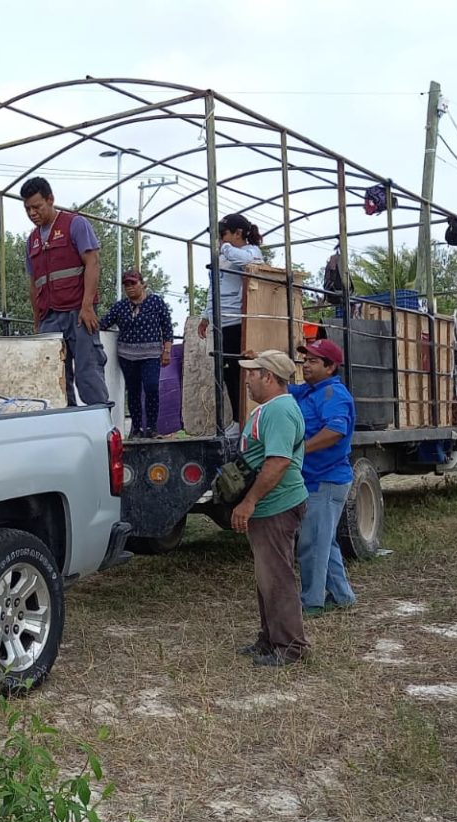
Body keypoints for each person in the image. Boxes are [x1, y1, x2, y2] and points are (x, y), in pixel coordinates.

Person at [231, 349, 310, 667]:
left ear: (268, 377)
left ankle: (291, 647)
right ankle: (269, 640)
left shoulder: (278, 411)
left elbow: (278, 462)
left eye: (253, 373)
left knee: (277, 577)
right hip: (270, 507)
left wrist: (249, 501)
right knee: (268, 576)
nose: (247, 378)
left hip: (276, 506)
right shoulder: (271, 408)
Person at [21, 176, 109, 406]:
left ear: (50, 200)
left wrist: (88, 306)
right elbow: (34, 283)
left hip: (79, 314)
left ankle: (102, 429)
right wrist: (37, 320)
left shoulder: (75, 224)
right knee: (55, 378)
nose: (32, 213)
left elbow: (92, 262)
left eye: (37, 207)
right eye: (27, 208)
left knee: (87, 372)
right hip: (49, 317)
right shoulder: (31, 241)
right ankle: (67, 428)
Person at [290, 339, 358, 615]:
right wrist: (259, 360)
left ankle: (312, 602)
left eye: (313, 361)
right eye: (304, 360)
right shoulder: (308, 392)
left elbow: (335, 431)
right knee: (323, 541)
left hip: (326, 480)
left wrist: (299, 450)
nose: (305, 365)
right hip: (316, 479)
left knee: (311, 544)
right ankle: (342, 596)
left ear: (330, 367)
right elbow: (282, 388)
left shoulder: (333, 394)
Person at [199, 214, 266, 426]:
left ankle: (245, 419)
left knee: (240, 372)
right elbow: (214, 288)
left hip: (239, 320)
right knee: (226, 373)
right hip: (221, 321)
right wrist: (205, 315)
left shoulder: (250, 251)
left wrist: (224, 246)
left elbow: (250, 263)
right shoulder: (223, 257)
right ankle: (237, 420)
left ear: (239, 233)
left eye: (223, 234)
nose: (219, 240)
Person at [99, 270, 174, 437]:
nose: (130, 287)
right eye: (126, 285)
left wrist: (167, 350)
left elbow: (167, 328)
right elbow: (103, 323)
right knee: (133, 391)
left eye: (133, 283)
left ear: (142, 284)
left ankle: (152, 427)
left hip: (151, 355)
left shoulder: (156, 302)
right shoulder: (120, 307)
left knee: (151, 387)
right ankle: (136, 427)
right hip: (127, 356)